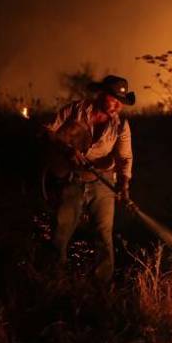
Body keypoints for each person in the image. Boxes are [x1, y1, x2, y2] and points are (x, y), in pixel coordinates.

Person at [45, 75, 135, 283]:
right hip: (72, 176)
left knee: (104, 233)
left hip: (103, 179)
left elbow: (124, 158)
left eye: (121, 102)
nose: (117, 105)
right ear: (101, 95)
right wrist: (66, 149)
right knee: (62, 228)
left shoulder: (121, 125)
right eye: (113, 99)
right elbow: (48, 130)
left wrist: (124, 185)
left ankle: (101, 285)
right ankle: (53, 278)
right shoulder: (75, 110)